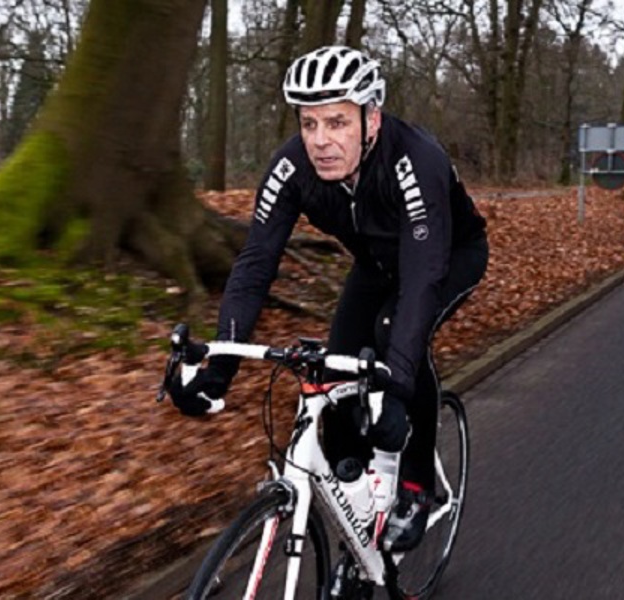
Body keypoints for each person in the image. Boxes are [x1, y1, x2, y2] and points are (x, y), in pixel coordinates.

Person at [168, 45, 488, 552]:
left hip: (448, 258)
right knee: (334, 375)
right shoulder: (291, 167)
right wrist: (218, 368)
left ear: (371, 119)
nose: (321, 141)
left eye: (337, 122)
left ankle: (417, 485)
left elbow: (423, 278)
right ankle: (360, 529)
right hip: (375, 266)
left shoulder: (416, 160)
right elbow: (254, 266)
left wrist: (398, 390)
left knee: (393, 337)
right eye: (309, 123)